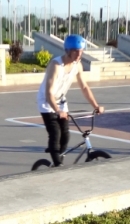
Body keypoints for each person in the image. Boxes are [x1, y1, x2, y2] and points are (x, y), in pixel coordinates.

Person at [37, 34, 104, 167]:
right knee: (55, 133)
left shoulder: (77, 65)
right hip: (47, 101)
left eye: (81, 51)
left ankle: (58, 157)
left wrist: (96, 105)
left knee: (66, 135)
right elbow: (49, 92)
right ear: (67, 50)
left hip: (61, 100)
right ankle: (57, 165)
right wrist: (57, 110)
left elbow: (84, 87)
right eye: (75, 51)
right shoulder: (56, 65)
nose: (79, 54)